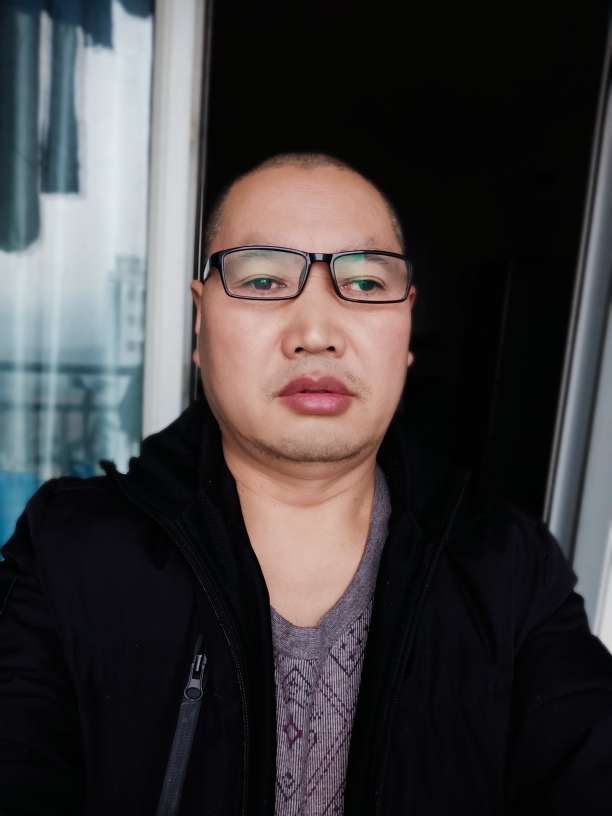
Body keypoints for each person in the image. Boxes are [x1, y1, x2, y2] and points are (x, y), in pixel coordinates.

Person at [1, 153, 612, 816]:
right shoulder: (70, 552)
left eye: (366, 284)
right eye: (264, 280)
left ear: (407, 327)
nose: (316, 334)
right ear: (200, 323)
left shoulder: (508, 570)